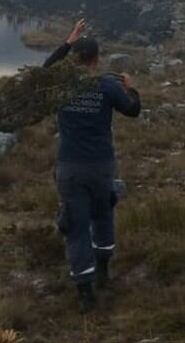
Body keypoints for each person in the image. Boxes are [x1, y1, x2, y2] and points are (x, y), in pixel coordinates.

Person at [42, 19, 141, 314]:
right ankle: (103, 270)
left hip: (70, 168)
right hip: (101, 166)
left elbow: (44, 71)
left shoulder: (62, 86)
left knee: (76, 228)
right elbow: (133, 110)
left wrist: (68, 41)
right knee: (102, 217)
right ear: (97, 60)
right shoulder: (107, 86)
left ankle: (85, 292)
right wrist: (132, 89)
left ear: (74, 60)